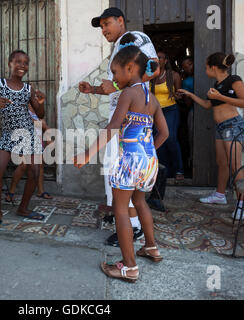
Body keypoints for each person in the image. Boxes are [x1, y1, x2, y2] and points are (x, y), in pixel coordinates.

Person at [74, 33, 168, 282]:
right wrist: (149, 153)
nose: (113, 79)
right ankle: (151, 247)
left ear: (130, 68)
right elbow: (165, 133)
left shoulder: (128, 94)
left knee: (120, 209)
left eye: (115, 73)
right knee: (140, 202)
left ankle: (128, 267)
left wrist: (88, 153)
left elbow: (113, 128)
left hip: (129, 161)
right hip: (149, 161)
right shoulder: (152, 98)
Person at [79, 7, 160, 247]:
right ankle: (132, 225)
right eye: (101, 26)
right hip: (131, 120)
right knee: (121, 177)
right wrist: (95, 89)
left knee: (118, 175)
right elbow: (119, 84)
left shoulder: (131, 38)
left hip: (128, 122)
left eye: (107, 24)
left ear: (121, 21)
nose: (104, 30)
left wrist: (116, 85)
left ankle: (131, 229)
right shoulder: (121, 46)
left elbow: (153, 68)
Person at [178, 53, 244, 220]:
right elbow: (207, 104)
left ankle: (242, 203)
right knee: (222, 163)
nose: (204, 69)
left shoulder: (234, 80)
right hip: (221, 127)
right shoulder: (217, 84)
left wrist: (220, 97)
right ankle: (220, 195)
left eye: (206, 66)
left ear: (213, 67)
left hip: (232, 125)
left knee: (235, 166)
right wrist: (189, 95)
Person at [0, 49, 45, 236]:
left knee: (34, 171)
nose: (22, 66)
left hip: (27, 133)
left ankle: (23, 208)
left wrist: (40, 102)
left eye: (25, 63)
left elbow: (40, 115)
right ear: (10, 63)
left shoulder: (29, 89)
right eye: (18, 62)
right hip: (9, 134)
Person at [5, 104, 53, 202]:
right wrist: (39, 123)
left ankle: (40, 191)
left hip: (38, 142)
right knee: (23, 166)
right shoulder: (21, 108)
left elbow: (43, 125)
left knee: (40, 166)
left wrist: (47, 133)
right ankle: (11, 191)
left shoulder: (37, 112)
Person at [150, 50, 184, 181]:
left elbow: (179, 95)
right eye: (156, 58)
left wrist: (177, 95)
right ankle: (164, 172)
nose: (158, 60)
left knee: (171, 139)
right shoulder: (150, 76)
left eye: (160, 58)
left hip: (170, 109)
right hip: (154, 111)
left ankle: (179, 169)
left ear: (165, 61)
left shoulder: (174, 75)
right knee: (158, 141)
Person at [180, 56, 194, 169]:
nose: (189, 68)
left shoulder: (187, 82)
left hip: (193, 113)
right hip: (194, 113)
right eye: (185, 67)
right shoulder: (186, 82)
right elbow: (187, 104)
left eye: (190, 64)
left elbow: (188, 103)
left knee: (192, 140)